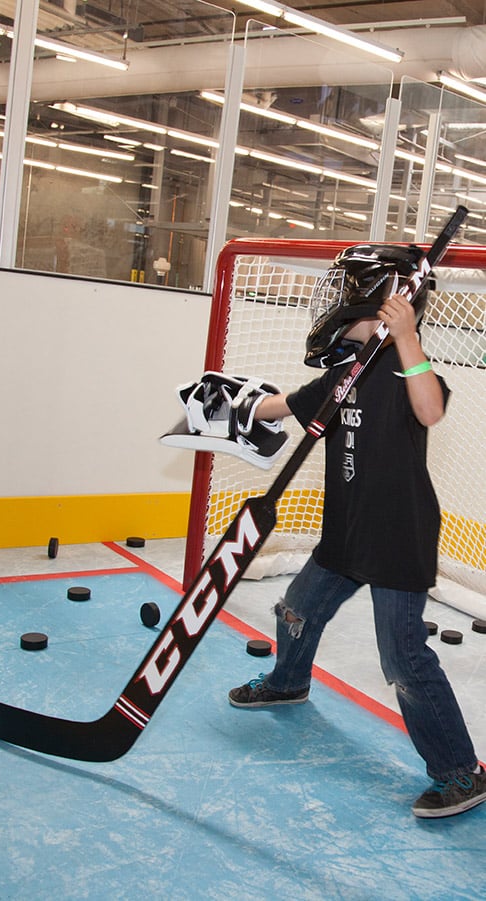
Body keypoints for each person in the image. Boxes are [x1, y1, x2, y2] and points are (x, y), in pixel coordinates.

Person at [227, 243, 486, 819]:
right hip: (345, 532)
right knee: (297, 608)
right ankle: (288, 681)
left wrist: (408, 338)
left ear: (384, 302)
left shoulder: (404, 370)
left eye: (350, 293)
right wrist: (234, 405)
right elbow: (285, 406)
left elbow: (430, 412)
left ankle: (460, 773)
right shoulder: (343, 373)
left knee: (404, 658)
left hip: (397, 537)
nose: (338, 302)